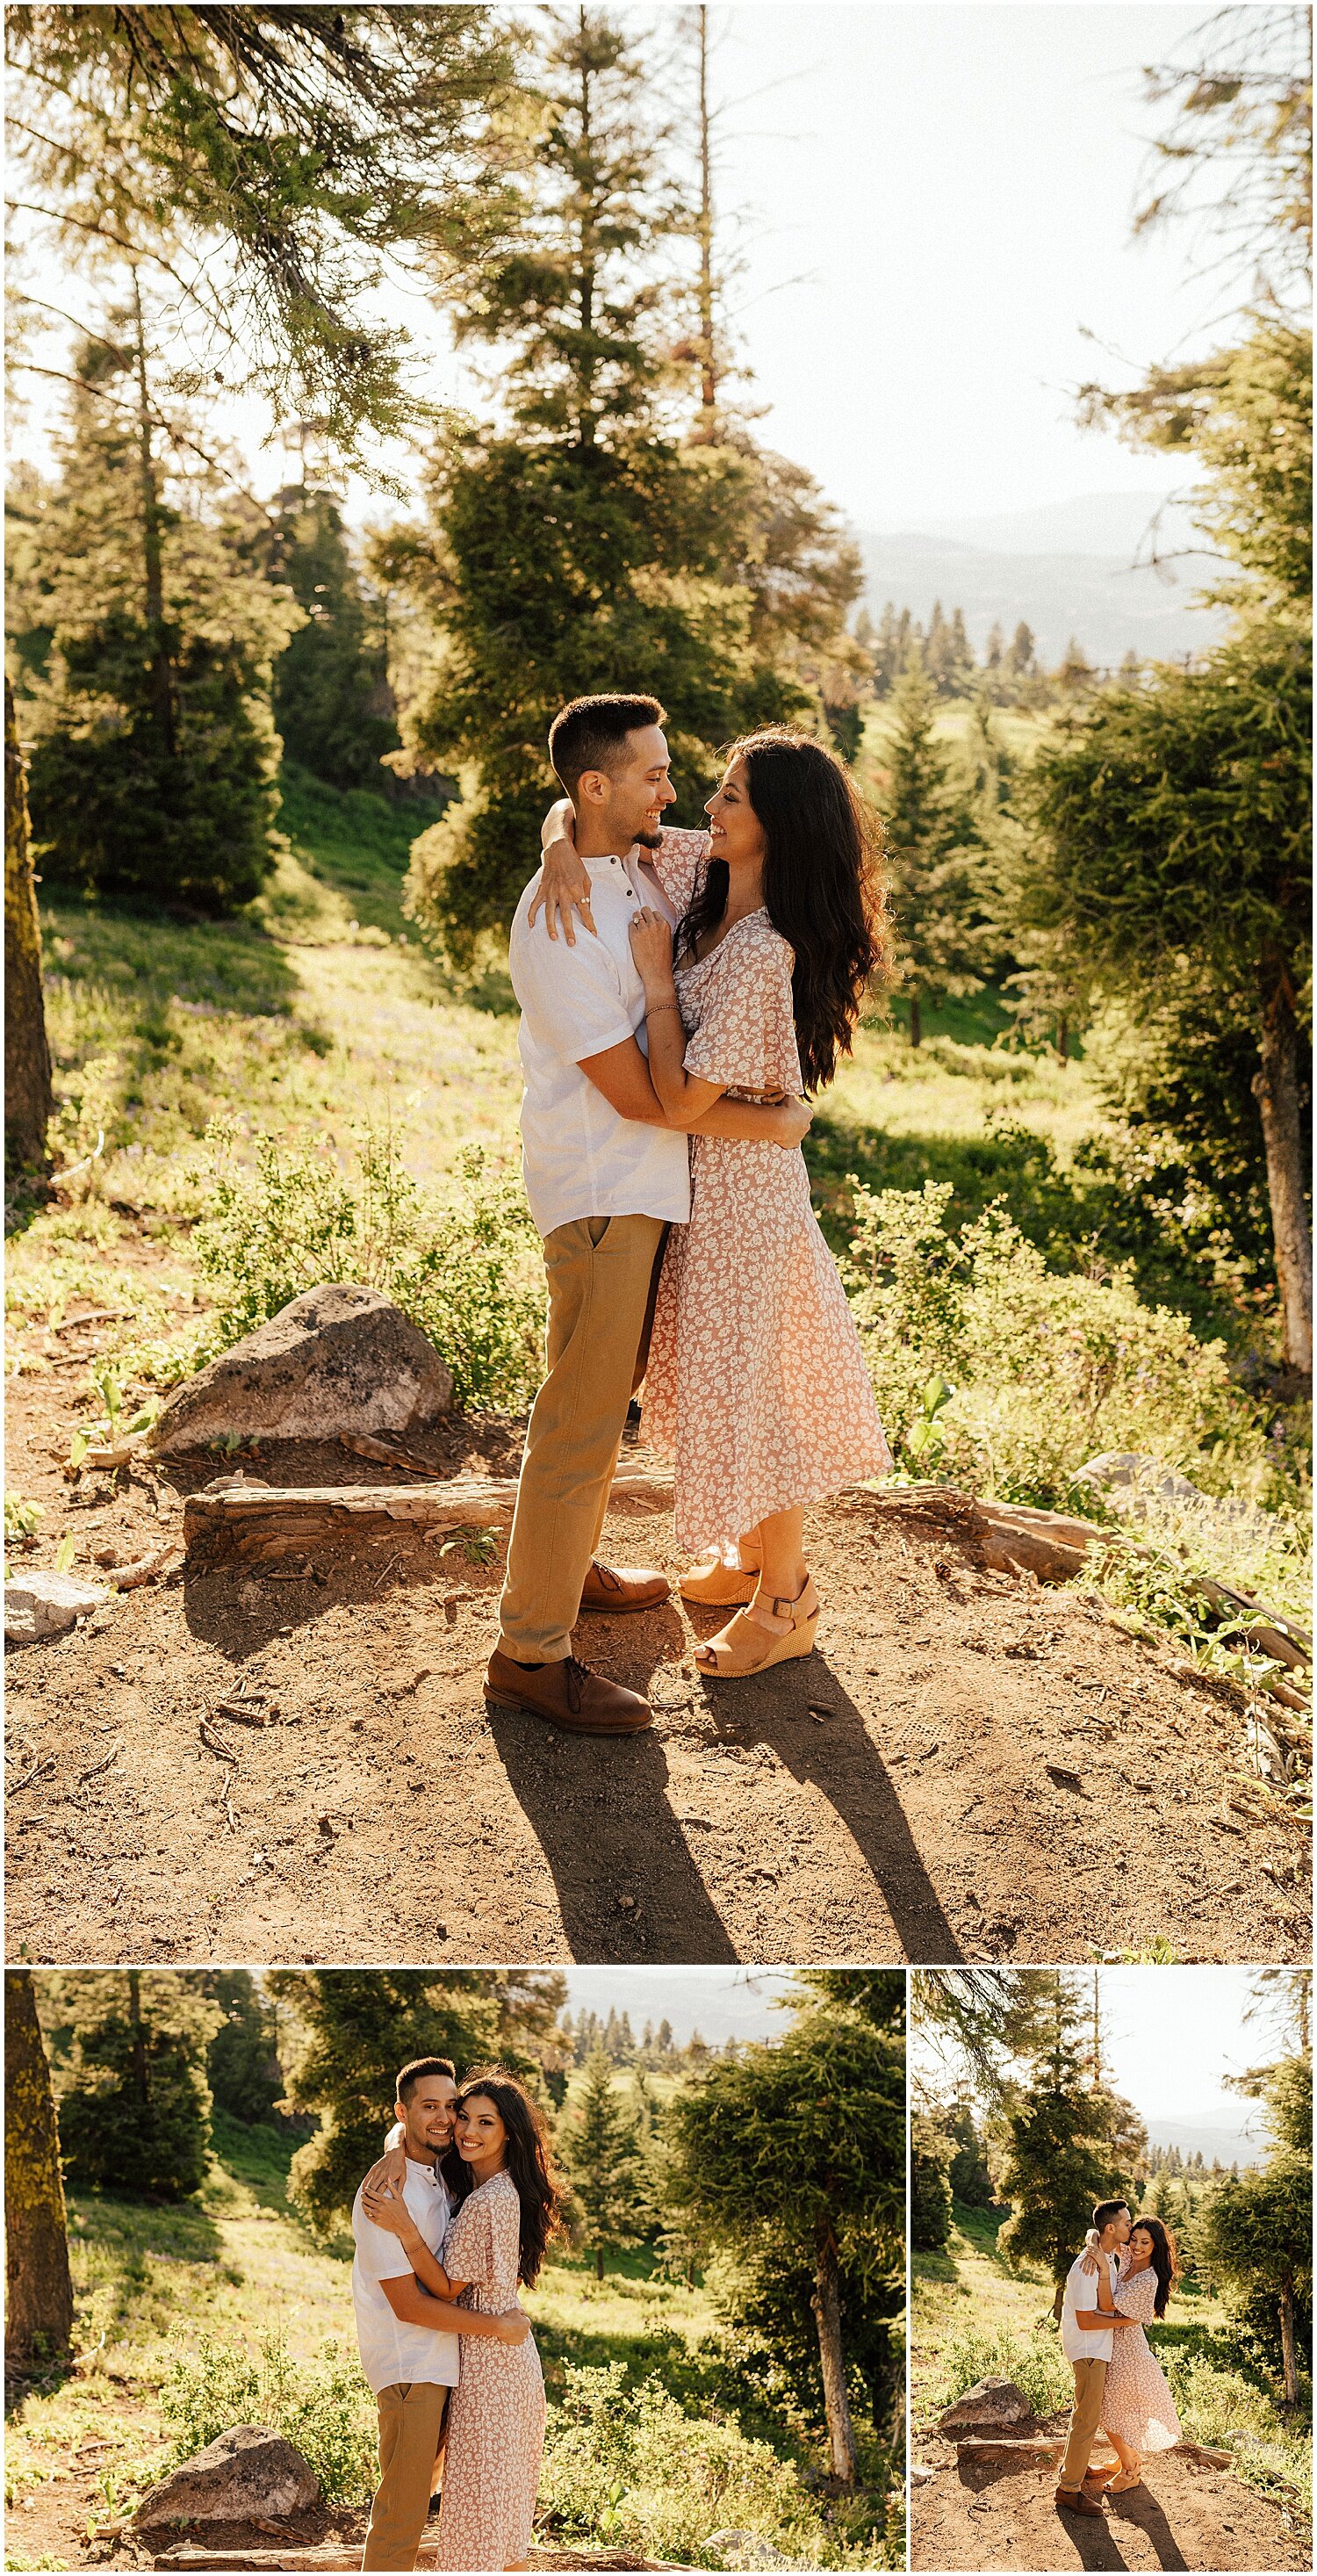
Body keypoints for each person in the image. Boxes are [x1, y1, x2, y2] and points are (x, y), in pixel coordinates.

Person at [486, 694, 816, 1736]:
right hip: (603, 1189)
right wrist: (780, 1122)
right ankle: (530, 1654)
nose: (673, 791)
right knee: (581, 1421)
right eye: (653, 774)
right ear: (598, 786)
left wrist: (559, 838)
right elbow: (642, 1098)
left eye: (680, 777)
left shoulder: (634, 863)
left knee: (590, 1398)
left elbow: (579, 821)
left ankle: (567, 1570)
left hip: (651, 1192)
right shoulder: (556, 922)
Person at [532, 725, 893, 1677]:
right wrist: (557, 846)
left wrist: (656, 983)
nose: (706, 806)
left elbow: (684, 1099)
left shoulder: (762, 950)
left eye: (730, 796)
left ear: (773, 826)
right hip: (705, 1192)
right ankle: (746, 1558)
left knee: (757, 1397)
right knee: (724, 1385)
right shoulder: (702, 875)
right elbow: (587, 803)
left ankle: (789, 1600)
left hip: (744, 1207)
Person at [362, 2068, 562, 2573]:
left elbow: (449, 2287)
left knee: (482, 2517)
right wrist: (393, 2150)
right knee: (476, 2516)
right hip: (442, 2362)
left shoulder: (482, 2197)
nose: (460, 2126)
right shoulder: (422, 2182)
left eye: (480, 2121)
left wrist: (405, 2226)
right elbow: (410, 2304)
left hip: (485, 2369)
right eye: (458, 2114)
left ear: (508, 2133)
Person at [1080, 2214, 1183, 2494]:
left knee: (1107, 2410)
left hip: (1127, 2353)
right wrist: (1094, 2244)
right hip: (1110, 2344)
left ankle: (1131, 2470)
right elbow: (1098, 2234)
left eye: (1145, 2242)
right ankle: (1126, 2457)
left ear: (1156, 2245)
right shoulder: (1128, 2257)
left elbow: (1107, 2304)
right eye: (1135, 2239)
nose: (1137, 2246)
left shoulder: (1148, 2278)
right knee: (1116, 2410)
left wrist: (1102, 2268)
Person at [1054, 2197, 1141, 2520]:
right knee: (1087, 2419)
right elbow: (1087, 2320)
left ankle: (1072, 2471)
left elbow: (1097, 2233)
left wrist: (1094, 2239)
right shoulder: (1088, 2267)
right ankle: (1069, 2490)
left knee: (1085, 2415)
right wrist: (1126, 2319)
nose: (1130, 2228)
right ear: (1111, 2228)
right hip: (1089, 2348)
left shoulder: (1105, 2255)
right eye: (1126, 2223)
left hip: (1097, 2349)